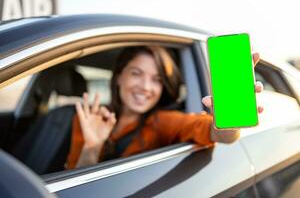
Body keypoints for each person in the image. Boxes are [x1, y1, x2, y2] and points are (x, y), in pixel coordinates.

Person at [66, 46, 263, 169]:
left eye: (156, 80)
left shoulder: (163, 122)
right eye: (136, 73)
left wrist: (230, 116)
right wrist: (92, 147)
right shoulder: (90, 119)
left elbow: (222, 136)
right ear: (119, 76)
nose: (145, 87)